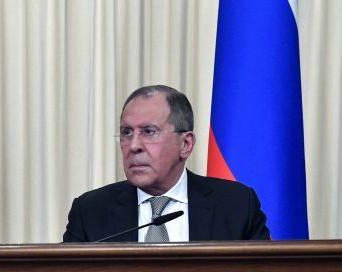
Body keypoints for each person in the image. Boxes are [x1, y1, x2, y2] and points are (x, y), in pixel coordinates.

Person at [62, 85, 270, 243]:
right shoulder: (90, 211)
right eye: (126, 133)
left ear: (185, 144)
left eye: (149, 132)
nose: (133, 146)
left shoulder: (237, 205)